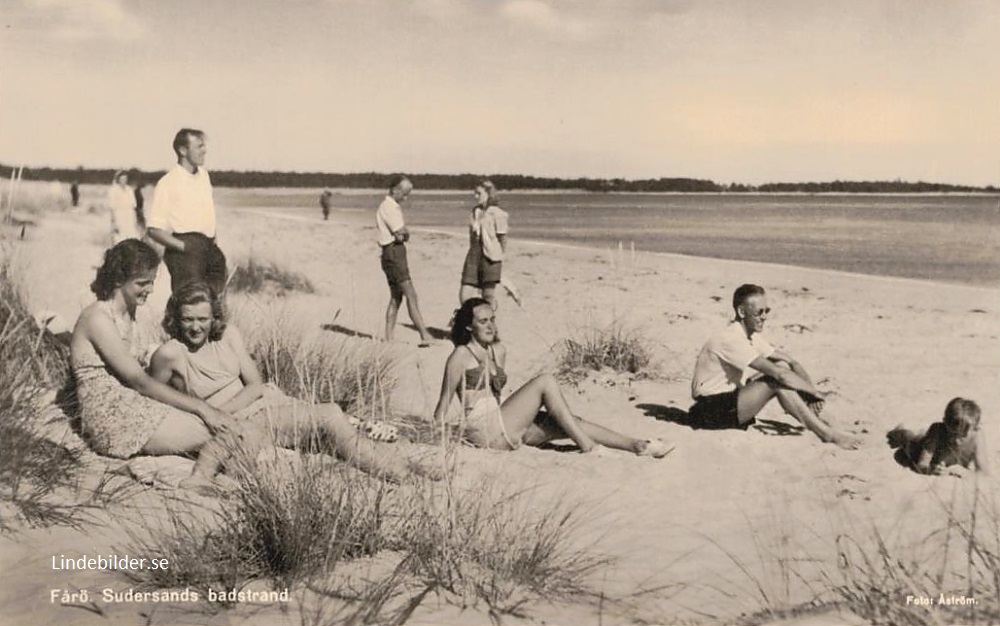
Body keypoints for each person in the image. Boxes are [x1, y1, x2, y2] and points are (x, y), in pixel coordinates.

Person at [149, 283, 441, 489]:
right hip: (248, 421)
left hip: (262, 405)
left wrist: (224, 411)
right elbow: (153, 396)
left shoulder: (228, 335)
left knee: (335, 431)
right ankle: (401, 475)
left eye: (203, 318)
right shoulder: (170, 354)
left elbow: (254, 384)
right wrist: (212, 416)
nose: (196, 327)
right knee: (329, 415)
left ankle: (402, 468)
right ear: (175, 318)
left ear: (214, 316)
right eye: (188, 319)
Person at [433, 297, 672, 457]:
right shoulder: (460, 355)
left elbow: (498, 398)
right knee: (545, 381)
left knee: (568, 421)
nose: (490, 326)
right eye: (483, 321)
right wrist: (441, 444)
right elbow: (441, 408)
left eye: (492, 320)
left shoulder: (498, 351)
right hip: (484, 430)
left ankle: (636, 445)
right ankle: (588, 447)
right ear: (468, 327)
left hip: (505, 427)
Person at [70, 240, 236, 463]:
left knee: (224, 425)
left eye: (151, 282)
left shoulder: (129, 313)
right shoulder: (98, 318)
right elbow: (139, 381)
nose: (150, 290)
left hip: (134, 404)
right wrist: (201, 407)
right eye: (142, 283)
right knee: (220, 431)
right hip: (111, 418)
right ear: (119, 280)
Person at [689, 284, 861, 449]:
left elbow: (791, 362)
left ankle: (815, 417)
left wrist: (809, 396)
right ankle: (826, 434)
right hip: (708, 411)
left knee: (778, 367)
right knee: (775, 380)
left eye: (767, 311)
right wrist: (815, 393)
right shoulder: (731, 338)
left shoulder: (751, 337)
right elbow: (779, 376)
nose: (764, 316)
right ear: (742, 312)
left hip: (728, 403)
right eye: (759, 312)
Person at [146, 128, 227, 296]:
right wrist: (184, 247)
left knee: (216, 304)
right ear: (183, 150)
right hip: (185, 252)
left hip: (210, 248)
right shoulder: (168, 182)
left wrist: (213, 245)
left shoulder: (204, 176)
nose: (205, 150)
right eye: (199, 146)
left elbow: (208, 215)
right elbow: (154, 229)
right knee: (190, 304)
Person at [377, 175, 433, 345]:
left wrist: (404, 233)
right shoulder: (389, 207)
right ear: (395, 190)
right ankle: (424, 335)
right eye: (405, 193)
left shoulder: (388, 206)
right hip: (394, 252)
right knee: (411, 295)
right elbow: (400, 233)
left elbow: (401, 233)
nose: (406, 198)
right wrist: (405, 233)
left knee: (396, 297)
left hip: (391, 253)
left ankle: (388, 337)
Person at [887, 398, 990, 476]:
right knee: (911, 442)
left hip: (950, 465)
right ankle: (900, 433)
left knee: (919, 436)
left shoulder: (977, 436)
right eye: (953, 434)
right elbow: (922, 464)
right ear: (944, 422)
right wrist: (932, 470)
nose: (957, 441)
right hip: (921, 446)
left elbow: (983, 473)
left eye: (963, 436)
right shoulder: (937, 430)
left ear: (975, 428)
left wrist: (963, 472)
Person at [459, 180, 508, 310]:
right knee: (464, 295)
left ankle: (488, 325)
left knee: (488, 296)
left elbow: (502, 239)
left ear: (488, 193)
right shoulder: (475, 211)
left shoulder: (498, 213)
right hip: (473, 256)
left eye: (478, 193)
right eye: (475, 193)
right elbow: (472, 236)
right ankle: (470, 322)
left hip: (491, 257)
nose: (475, 196)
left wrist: (499, 258)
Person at [108, 170, 141, 243]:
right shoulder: (113, 190)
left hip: (129, 215)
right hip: (119, 216)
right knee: (119, 238)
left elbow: (133, 205)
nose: (124, 181)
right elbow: (112, 207)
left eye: (125, 179)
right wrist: (114, 222)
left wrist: (135, 219)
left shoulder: (129, 189)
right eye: (122, 179)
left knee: (132, 236)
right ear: (118, 179)